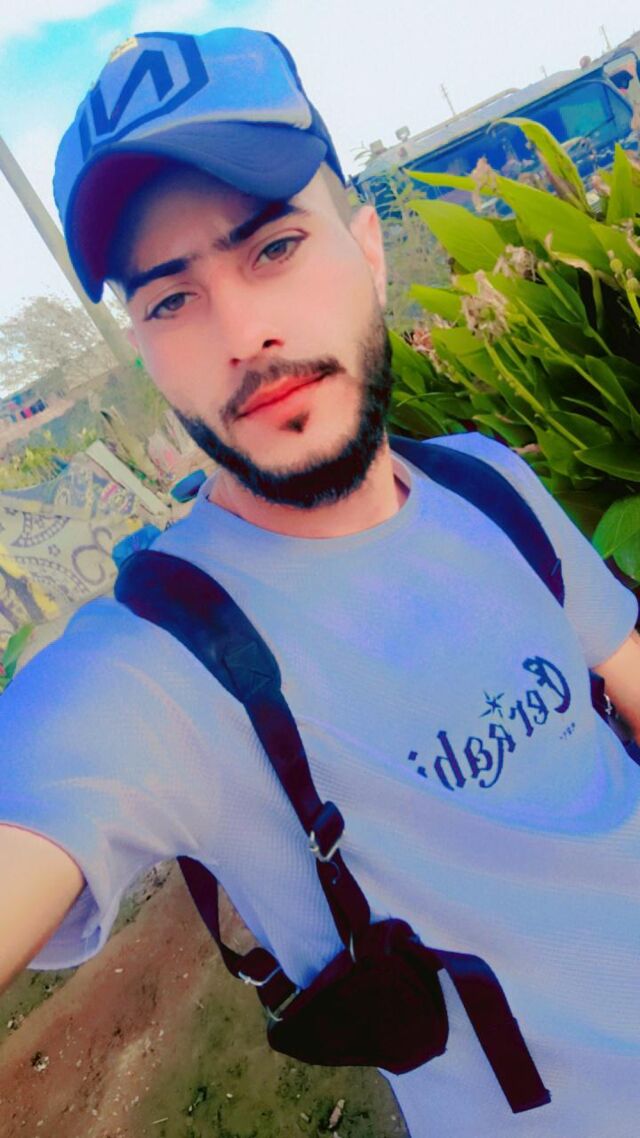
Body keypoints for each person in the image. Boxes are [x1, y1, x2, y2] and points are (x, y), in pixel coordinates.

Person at [1, 26, 640, 1138]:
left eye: (275, 246)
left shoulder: (487, 482)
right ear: (144, 348)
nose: (244, 331)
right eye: (169, 299)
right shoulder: (152, 671)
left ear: (367, 248)